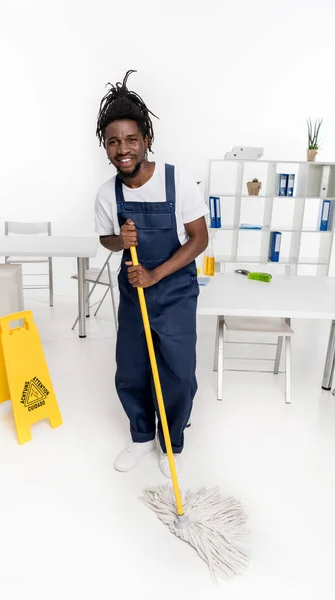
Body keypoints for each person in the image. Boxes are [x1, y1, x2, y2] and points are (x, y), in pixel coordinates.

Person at [94, 70, 208, 478]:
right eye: (113, 141)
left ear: (145, 140)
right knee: (132, 367)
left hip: (174, 290)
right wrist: (120, 242)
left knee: (177, 370)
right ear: (105, 147)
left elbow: (198, 239)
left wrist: (157, 274)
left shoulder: (178, 182)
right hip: (134, 292)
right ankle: (142, 436)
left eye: (130, 139)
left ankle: (171, 442)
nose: (122, 148)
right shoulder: (109, 193)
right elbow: (106, 239)